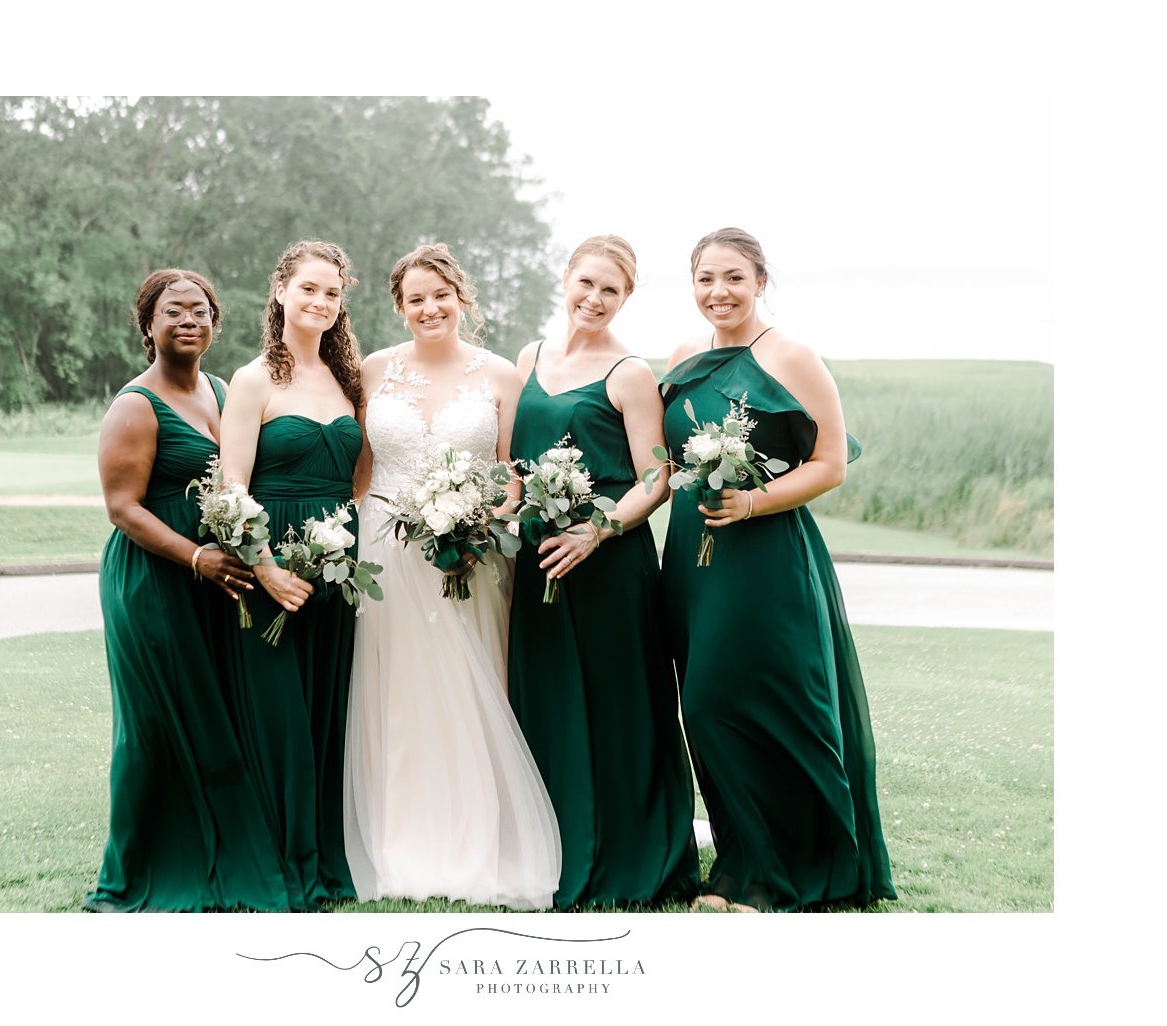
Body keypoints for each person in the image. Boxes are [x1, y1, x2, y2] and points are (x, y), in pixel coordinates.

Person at [659, 228, 896, 912]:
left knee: (740, 701)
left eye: (733, 276)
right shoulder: (682, 356)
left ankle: (789, 871)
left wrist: (754, 499)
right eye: (705, 278)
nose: (718, 292)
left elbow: (829, 463)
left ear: (760, 280)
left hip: (762, 555)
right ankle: (736, 868)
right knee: (702, 714)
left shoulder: (792, 356)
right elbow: (662, 457)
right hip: (691, 556)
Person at [344, 243, 561, 909]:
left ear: (461, 297)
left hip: (471, 555)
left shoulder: (500, 376)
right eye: (415, 298)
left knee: (471, 690)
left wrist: (476, 529)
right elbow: (357, 469)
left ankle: (474, 840)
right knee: (397, 696)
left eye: (440, 294)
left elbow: (511, 472)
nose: (429, 307)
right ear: (399, 306)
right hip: (384, 553)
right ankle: (401, 841)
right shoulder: (372, 370)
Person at [84, 268, 290, 912]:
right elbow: (122, 507)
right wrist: (197, 555)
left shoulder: (224, 390)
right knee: (151, 727)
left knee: (211, 716)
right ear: (149, 325)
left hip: (212, 580)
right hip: (152, 580)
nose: (189, 321)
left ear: (215, 322)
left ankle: (215, 856)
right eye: (174, 311)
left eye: (200, 310)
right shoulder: (134, 405)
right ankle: (134, 872)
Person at [506, 235, 700, 908]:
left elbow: (657, 476)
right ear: (564, 277)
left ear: (625, 298)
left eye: (609, 290)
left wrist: (600, 528)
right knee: (545, 700)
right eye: (584, 283)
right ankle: (548, 849)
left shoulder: (628, 372)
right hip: (536, 563)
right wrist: (488, 513)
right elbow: (512, 466)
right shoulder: (528, 357)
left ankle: (624, 851)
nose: (592, 299)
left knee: (616, 704)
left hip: (609, 563)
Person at [217, 240, 365, 909]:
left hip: (337, 563)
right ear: (279, 291)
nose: (320, 302)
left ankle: (326, 862)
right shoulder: (252, 380)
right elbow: (229, 488)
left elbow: (359, 478)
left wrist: (346, 542)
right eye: (308, 288)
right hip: (273, 563)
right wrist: (268, 567)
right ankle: (282, 865)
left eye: (331, 293)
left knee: (325, 711)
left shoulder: (348, 380)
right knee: (278, 716)